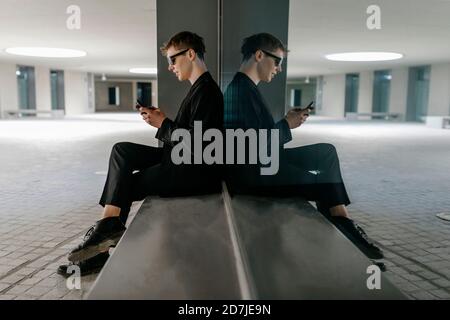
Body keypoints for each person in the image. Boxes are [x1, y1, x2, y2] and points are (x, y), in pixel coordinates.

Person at [57, 31, 224, 276]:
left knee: (124, 184)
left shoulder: (207, 92)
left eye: (172, 60)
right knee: (122, 151)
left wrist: (163, 123)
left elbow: (199, 146)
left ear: (190, 54)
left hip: (193, 171)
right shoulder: (198, 89)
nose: (170, 67)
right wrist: (163, 121)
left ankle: (100, 249)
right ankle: (107, 229)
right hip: (181, 160)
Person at [223, 33, 383, 260]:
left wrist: (286, 122)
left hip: (264, 162)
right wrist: (287, 125)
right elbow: (249, 147)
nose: (278, 68)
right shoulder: (239, 91)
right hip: (254, 174)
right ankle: (343, 227)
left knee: (325, 152)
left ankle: (341, 220)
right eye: (277, 61)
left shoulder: (246, 88)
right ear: (259, 55)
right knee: (324, 183)